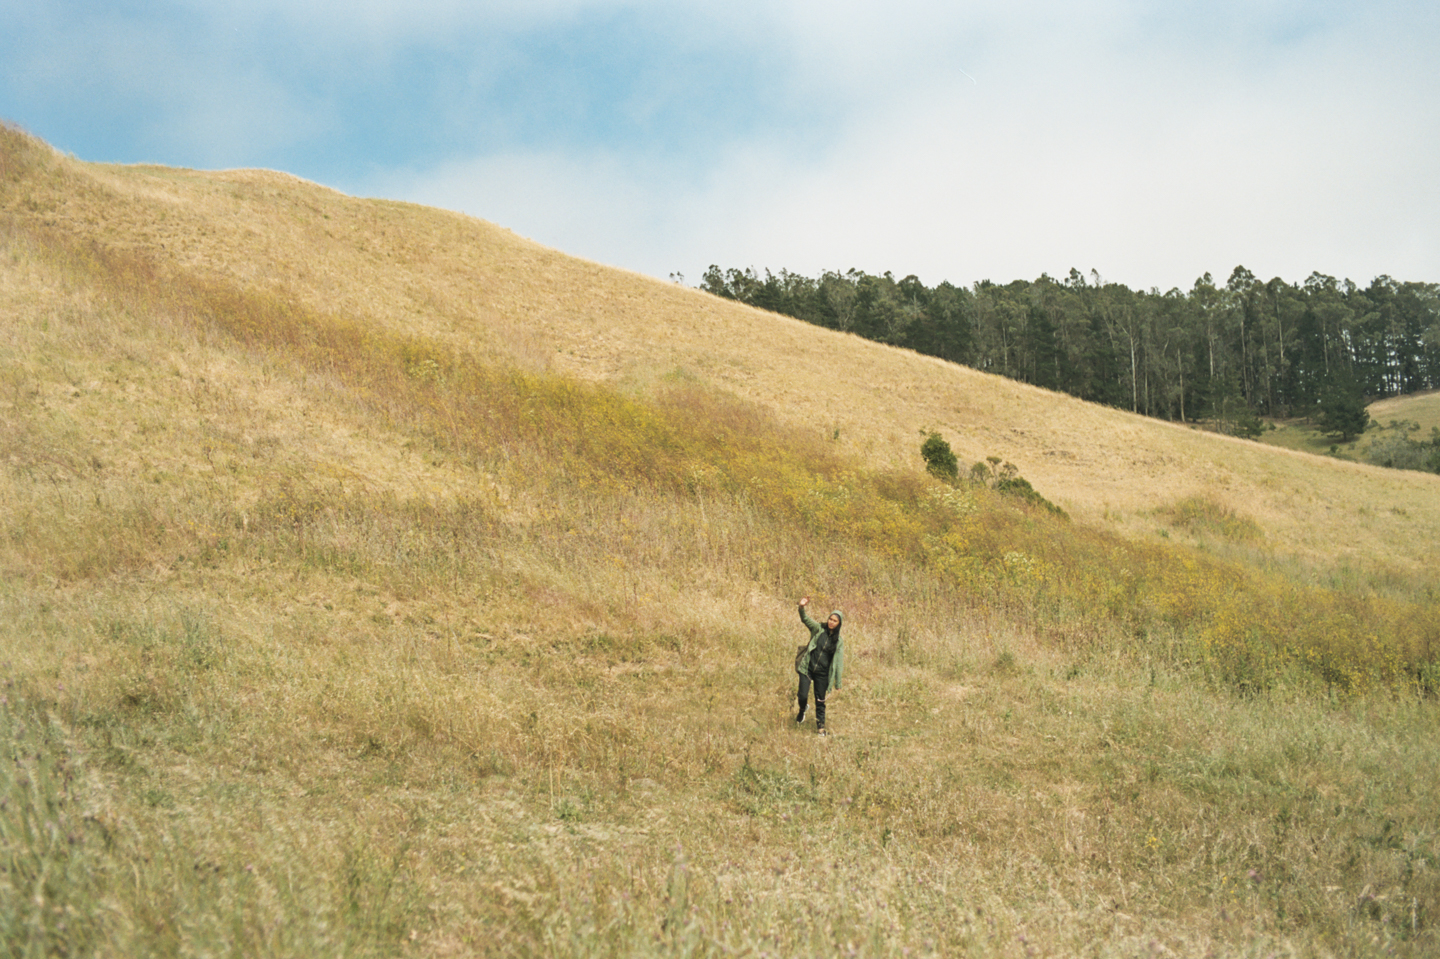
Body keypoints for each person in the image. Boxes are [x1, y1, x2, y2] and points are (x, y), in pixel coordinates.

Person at [794, 597, 844, 735]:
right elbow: (805, 619)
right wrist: (801, 607)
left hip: (822, 673)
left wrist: (838, 683)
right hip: (807, 668)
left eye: (835, 621)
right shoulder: (818, 629)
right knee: (802, 696)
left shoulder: (838, 641)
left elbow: (839, 662)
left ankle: (821, 728)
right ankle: (802, 710)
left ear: (839, 624)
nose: (831, 622)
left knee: (820, 701)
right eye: (830, 619)